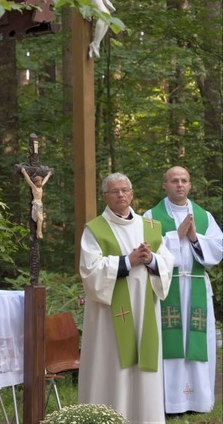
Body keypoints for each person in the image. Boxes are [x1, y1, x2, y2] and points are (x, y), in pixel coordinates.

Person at [78, 172, 174, 423]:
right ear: (104, 197)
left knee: (144, 368)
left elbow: (166, 262)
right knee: (113, 367)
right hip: (110, 317)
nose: (120, 195)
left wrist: (150, 259)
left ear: (132, 194)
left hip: (145, 310)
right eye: (114, 191)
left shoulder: (151, 227)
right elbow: (89, 271)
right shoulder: (95, 229)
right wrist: (127, 262)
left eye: (125, 190)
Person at [142, 166, 223, 415]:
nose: (180, 184)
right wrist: (176, 236)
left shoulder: (204, 216)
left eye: (184, 180)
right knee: (171, 344)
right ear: (164, 185)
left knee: (199, 344)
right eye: (174, 180)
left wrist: (195, 237)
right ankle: (170, 403)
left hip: (197, 284)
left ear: (190, 185)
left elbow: (218, 249)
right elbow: (147, 251)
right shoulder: (151, 216)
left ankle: (198, 401)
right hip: (168, 287)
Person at [21, 167, 51, 239]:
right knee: (40, 218)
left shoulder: (41, 187)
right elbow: (28, 180)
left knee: (41, 219)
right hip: (36, 204)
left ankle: (39, 232)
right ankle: (39, 232)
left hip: (40, 204)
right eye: (39, 181)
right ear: (36, 182)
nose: (40, 182)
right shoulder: (34, 187)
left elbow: (45, 180)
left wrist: (48, 175)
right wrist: (24, 172)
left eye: (41, 181)